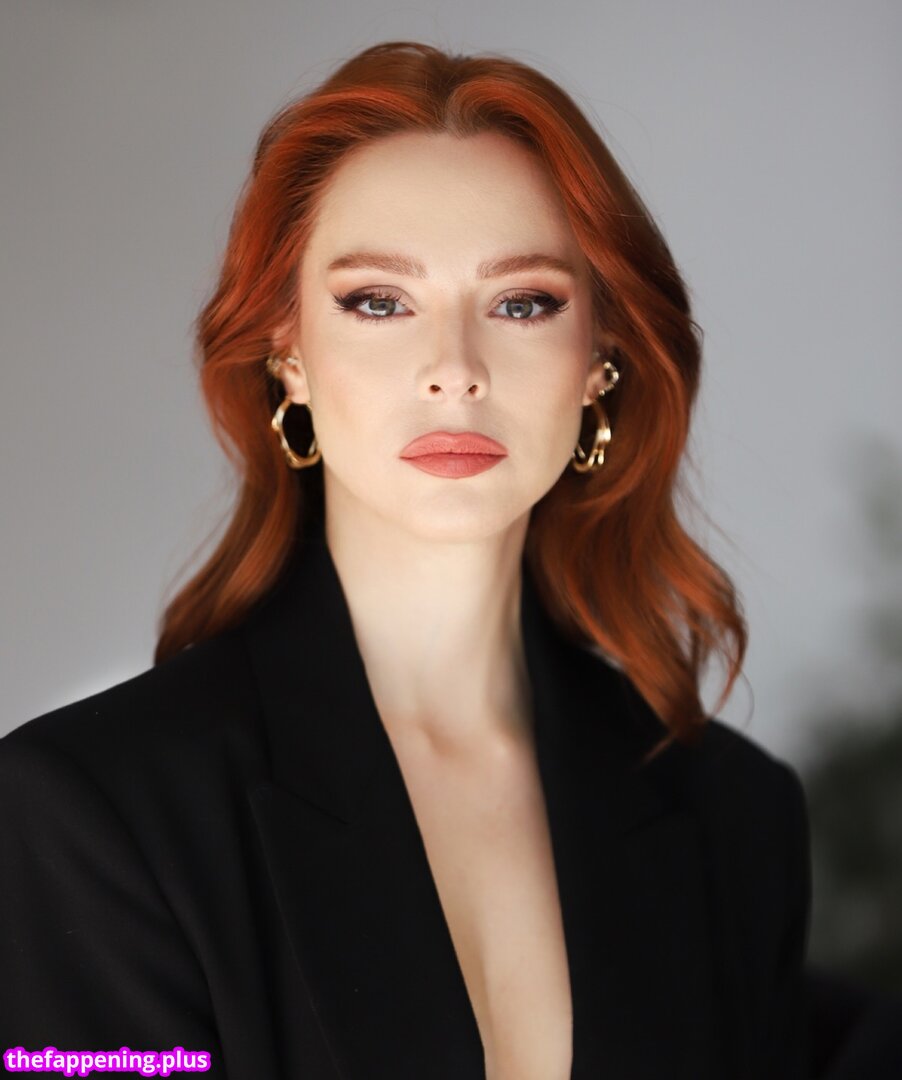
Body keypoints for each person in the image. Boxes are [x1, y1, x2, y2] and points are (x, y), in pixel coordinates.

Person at [0, 40, 812, 1080]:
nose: (454, 371)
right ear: (288, 354)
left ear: (600, 360)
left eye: (522, 302)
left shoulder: (735, 818)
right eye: (379, 302)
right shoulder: (90, 812)